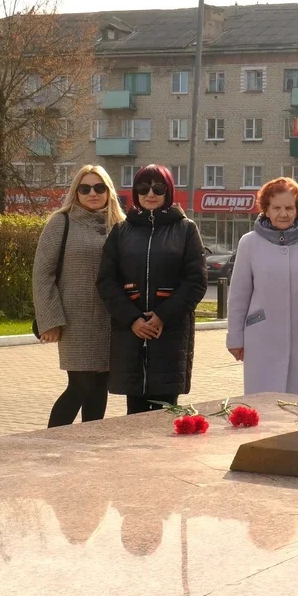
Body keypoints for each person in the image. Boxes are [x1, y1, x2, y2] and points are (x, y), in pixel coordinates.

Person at [97, 165, 207, 414]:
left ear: (168, 191)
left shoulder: (185, 229)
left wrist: (162, 317)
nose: (150, 194)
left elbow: (196, 281)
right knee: (134, 414)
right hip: (131, 334)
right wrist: (133, 319)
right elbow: (106, 281)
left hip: (168, 334)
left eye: (158, 188)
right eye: (143, 188)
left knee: (166, 412)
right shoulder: (121, 231)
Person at [226, 177, 298, 394]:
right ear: (265, 210)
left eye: (289, 207)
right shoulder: (249, 243)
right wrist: (235, 337)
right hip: (260, 336)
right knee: (262, 403)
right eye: (276, 207)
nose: (283, 213)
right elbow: (239, 295)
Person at [33, 165, 126, 427]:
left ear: (109, 192)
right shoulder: (61, 222)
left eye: (99, 188)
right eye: (85, 188)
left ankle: (88, 443)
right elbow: (42, 274)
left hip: (110, 321)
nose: (92, 193)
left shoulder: (119, 225)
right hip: (74, 321)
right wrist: (50, 320)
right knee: (80, 384)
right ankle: (51, 441)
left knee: (99, 384)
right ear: (76, 192)